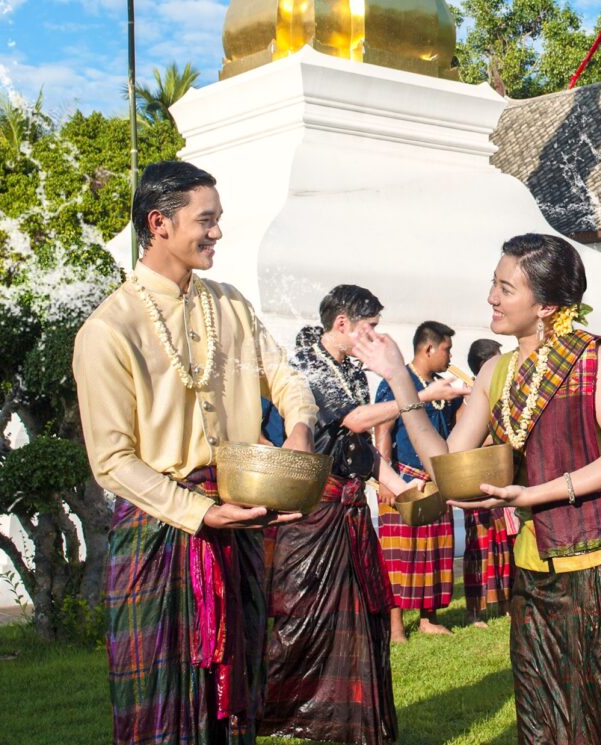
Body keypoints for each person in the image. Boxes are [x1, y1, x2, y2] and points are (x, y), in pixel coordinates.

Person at [351, 233, 601, 744]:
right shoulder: (496, 371)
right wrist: (400, 380)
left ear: (546, 306)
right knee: (543, 721)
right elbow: (446, 465)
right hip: (538, 565)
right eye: (493, 285)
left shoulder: (591, 359)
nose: (492, 298)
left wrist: (532, 495)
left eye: (505, 288)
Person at [73, 161, 317, 744]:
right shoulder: (109, 329)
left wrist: (299, 432)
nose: (217, 232)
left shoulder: (229, 304)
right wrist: (200, 512)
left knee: (239, 685)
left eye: (218, 219)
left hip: (238, 513)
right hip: (159, 531)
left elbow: (286, 379)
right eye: (206, 221)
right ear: (159, 223)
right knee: (162, 699)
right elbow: (111, 461)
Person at [261, 286, 437, 743]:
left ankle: (348, 720)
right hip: (312, 511)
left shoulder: (352, 371)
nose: (375, 335)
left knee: (360, 617)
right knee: (304, 616)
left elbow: (358, 447)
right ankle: (279, 712)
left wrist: (398, 486)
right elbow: (354, 420)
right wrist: (419, 394)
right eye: (370, 326)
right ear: (343, 323)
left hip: (351, 508)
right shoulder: (306, 364)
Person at [375, 321, 466, 640]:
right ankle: (396, 625)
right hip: (402, 479)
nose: (450, 356)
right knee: (399, 557)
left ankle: (429, 618)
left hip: (436, 479)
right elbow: (383, 429)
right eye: (446, 349)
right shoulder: (398, 381)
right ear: (428, 348)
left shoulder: (444, 388)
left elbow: (459, 428)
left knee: (435, 552)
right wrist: (385, 480)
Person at [461, 337, 515, 626]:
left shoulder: (502, 394)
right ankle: (474, 611)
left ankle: (506, 602)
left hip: (499, 479)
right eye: (497, 358)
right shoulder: (467, 400)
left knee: (503, 544)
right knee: (478, 548)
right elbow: (466, 446)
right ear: (485, 364)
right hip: (474, 483)